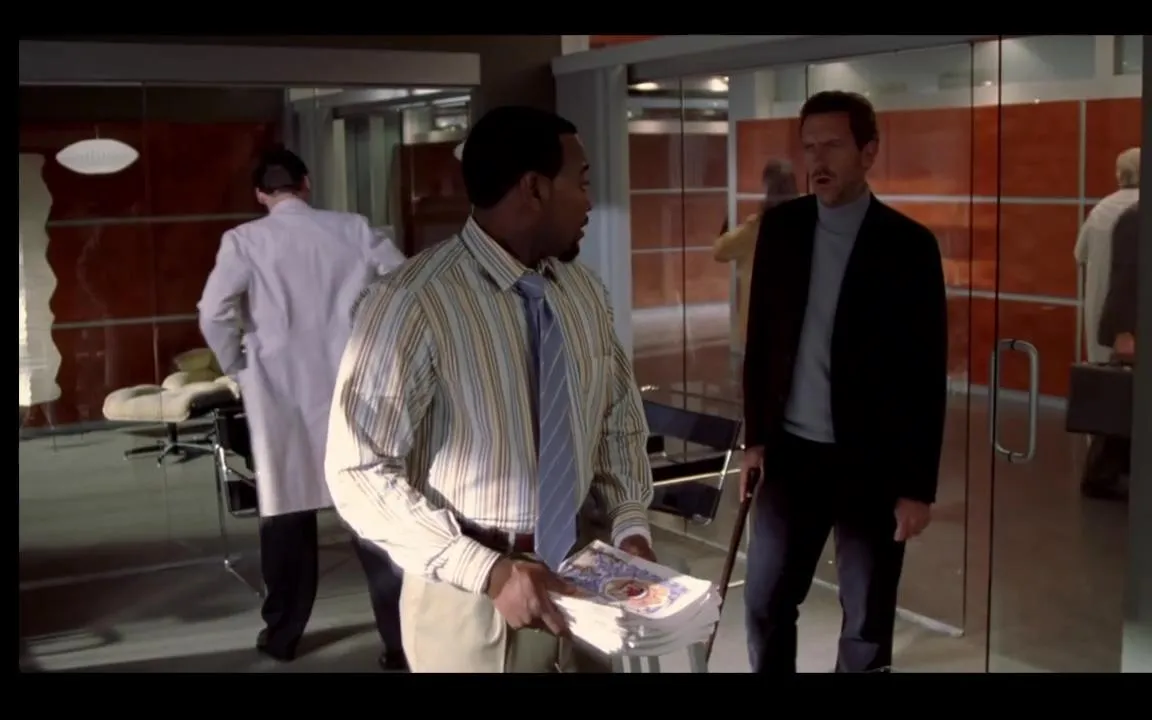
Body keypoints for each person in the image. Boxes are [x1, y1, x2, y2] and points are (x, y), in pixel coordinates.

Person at [324, 105, 656, 674]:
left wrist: (629, 525)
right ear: (534, 188)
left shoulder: (583, 294)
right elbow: (357, 470)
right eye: (581, 183)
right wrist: (490, 571)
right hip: (469, 600)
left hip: (585, 586)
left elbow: (618, 420)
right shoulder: (411, 304)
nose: (589, 202)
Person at [739, 90, 948, 674]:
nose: (818, 160)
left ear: (869, 151)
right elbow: (761, 344)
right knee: (765, 602)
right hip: (791, 455)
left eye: (832, 145)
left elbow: (925, 374)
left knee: (867, 622)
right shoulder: (781, 230)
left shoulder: (909, 247)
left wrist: (917, 488)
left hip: (872, 464)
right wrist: (755, 439)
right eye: (809, 147)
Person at [197, 147, 409, 669]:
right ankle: (401, 640)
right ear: (306, 182)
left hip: (280, 393)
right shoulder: (353, 229)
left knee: (287, 519)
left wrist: (238, 365)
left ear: (260, 194)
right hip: (353, 385)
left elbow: (213, 311)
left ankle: (283, 635)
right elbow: (405, 283)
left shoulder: (244, 241)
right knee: (371, 513)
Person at [1082, 201, 1140, 501]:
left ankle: (1106, 473)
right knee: (1123, 399)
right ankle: (1101, 476)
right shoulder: (1135, 218)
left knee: (1127, 401)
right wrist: (1124, 332)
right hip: (1133, 327)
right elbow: (1125, 279)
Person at [714, 159, 799, 351]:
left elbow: (719, 250)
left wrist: (727, 222)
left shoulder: (756, 228)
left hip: (762, 326)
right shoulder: (809, 224)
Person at [1075, 148, 1139, 364]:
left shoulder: (1100, 210)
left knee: (1102, 373)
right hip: (1134, 314)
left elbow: (1080, 254)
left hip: (1101, 307)